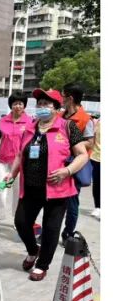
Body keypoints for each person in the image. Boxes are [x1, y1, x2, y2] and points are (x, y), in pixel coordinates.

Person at [7, 89, 89, 281]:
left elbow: (83, 155)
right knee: (21, 222)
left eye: (47, 104)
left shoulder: (67, 127)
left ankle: (42, 265)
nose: (42, 107)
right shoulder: (30, 127)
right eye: (40, 104)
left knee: (51, 229)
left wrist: (67, 171)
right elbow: (20, 155)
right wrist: (12, 175)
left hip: (57, 190)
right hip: (30, 188)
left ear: (56, 107)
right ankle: (33, 250)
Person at [0, 91, 31, 231]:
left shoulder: (30, 122)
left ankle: (18, 220)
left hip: (20, 164)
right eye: (15, 103)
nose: (18, 106)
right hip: (3, 162)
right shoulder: (3, 121)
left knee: (18, 193)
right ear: (11, 105)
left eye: (20, 103)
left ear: (24, 105)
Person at [60, 84, 95, 240]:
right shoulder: (60, 116)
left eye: (63, 96)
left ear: (70, 98)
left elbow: (90, 142)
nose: (61, 99)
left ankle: (68, 233)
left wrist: (72, 143)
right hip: (59, 162)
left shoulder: (85, 119)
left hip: (75, 165)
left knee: (72, 202)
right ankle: (51, 230)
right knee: (56, 201)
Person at [91, 116, 101, 220]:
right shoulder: (98, 122)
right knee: (97, 183)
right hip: (96, 158)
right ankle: (98, 206)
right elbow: (92, 139)